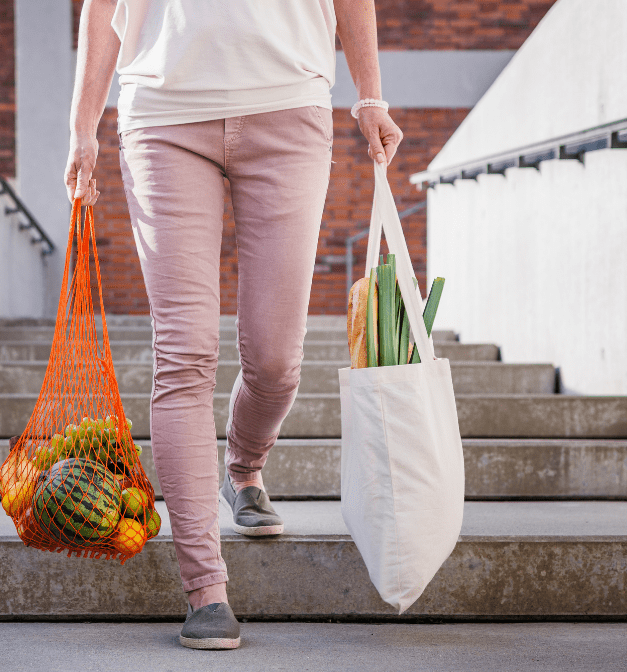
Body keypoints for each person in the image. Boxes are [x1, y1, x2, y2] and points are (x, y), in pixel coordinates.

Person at [65, 0, 402, 650]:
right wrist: (83, 127)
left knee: (276, 361)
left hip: (289, 108)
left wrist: (370, 95)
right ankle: (205, 590)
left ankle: (243, 469)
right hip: (163, 115)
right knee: (185, 354)